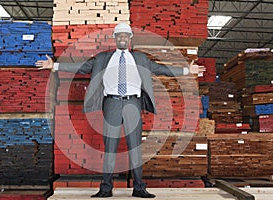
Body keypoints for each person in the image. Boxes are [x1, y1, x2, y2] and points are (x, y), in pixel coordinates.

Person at [35, 22, 205, 198]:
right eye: (119, 35)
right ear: (115, 38)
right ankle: (106, 188)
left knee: (135, 147)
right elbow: (81, 67)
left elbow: (162, 69)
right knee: (110, 147)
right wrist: (54, 66)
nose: (122, 38)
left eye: (126, 35)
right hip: (112, 104)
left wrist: (187, 70)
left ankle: (139, 187)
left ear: (130, 38)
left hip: (133, 104)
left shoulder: (140, 59)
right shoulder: (103, 58)